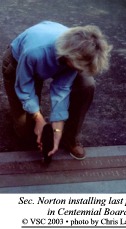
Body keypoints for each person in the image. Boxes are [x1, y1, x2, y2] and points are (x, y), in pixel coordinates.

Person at [2, 21, 111, 160]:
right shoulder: (34, 52)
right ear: (69, 56)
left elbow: (62, 88)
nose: (80, 70)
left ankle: (69, 137)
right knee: (25, 131)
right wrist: (38, 118)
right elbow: (24, 86)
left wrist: (58, 127)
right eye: (78, 66)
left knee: (87, 83)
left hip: (57, 57)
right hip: (18, 63)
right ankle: (22, 114)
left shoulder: (75, 53)